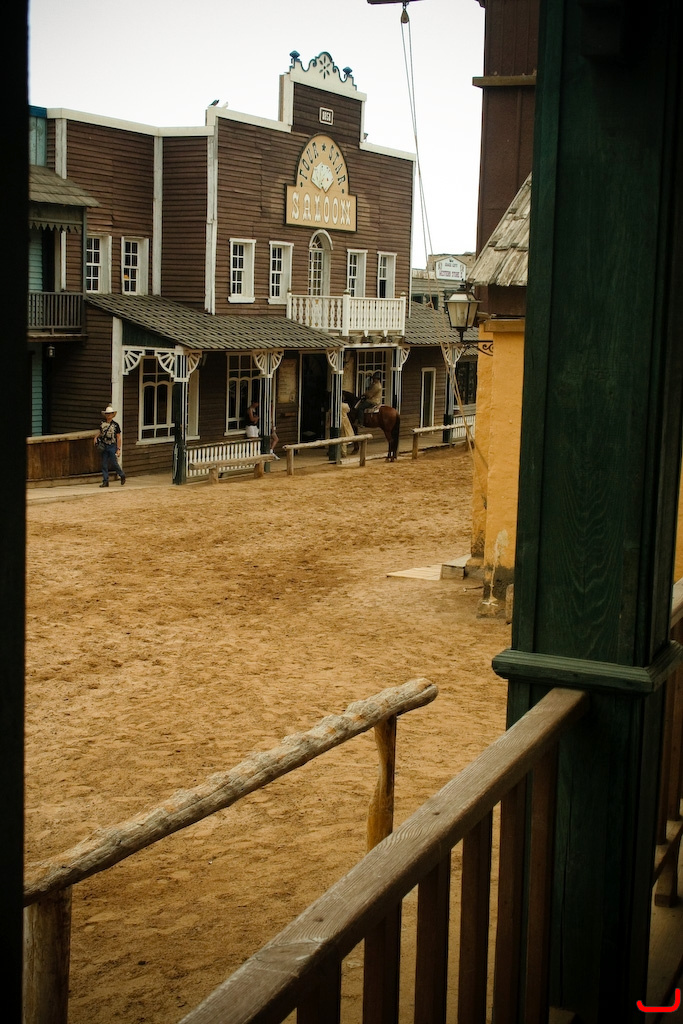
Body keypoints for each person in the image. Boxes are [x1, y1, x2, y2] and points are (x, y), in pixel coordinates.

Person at [94, 405, 126, 487]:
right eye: (107, 414)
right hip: (104, 445)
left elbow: (118, 437)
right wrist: (96, 437)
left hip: (112, 445)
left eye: (110, 414)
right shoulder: (102, 424)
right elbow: (100, 432)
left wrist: (118, 449)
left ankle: (121, 474)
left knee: (114, 463)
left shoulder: (116, 425)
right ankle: (105, 481)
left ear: (112, 415)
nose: (108, 415)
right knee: (104, 464)